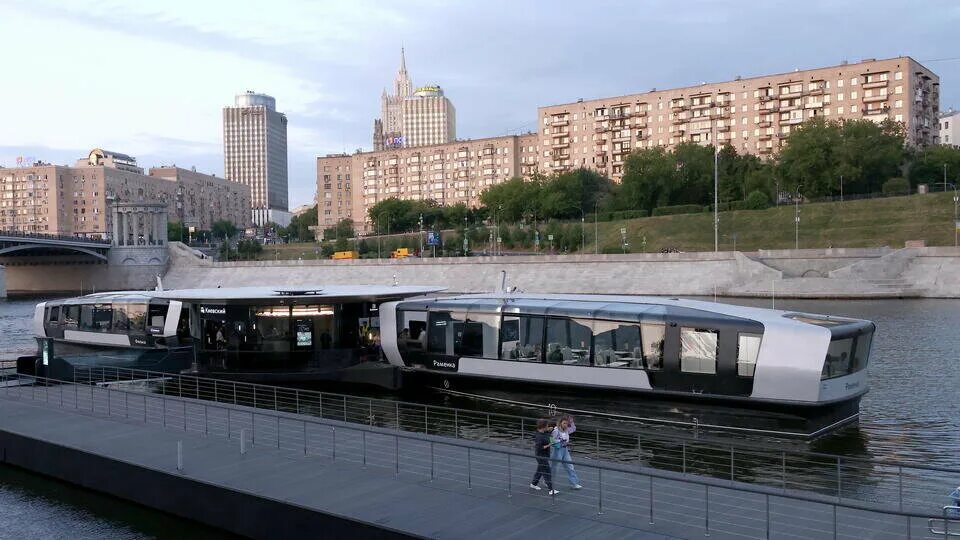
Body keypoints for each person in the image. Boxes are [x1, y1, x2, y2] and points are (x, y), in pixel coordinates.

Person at [550, 415, 582, 490]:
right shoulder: (556, 430)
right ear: (560, 423)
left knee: (570, 466)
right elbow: (551, 440)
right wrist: (560, 441)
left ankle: (574, 483)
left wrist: (572, 422)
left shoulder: (567, 429)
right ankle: (548, 481)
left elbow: (573, 429)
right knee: (555, 468)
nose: (566, 425)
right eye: (564, 423)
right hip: (557, 451)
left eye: (567, 423)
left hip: (565, 450)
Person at [530, 419, 558, 495]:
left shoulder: (544, 432)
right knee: (547, 471)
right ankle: (551, 489)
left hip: (545, 455)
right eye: (547, 426)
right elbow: (540, 448)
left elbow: (548, 433)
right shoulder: (539, 437)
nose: (548, 427)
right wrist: (550, 444)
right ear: (543, 427)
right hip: (541, 456)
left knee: (540, 470)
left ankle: (533, 484)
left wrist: (550, 430)